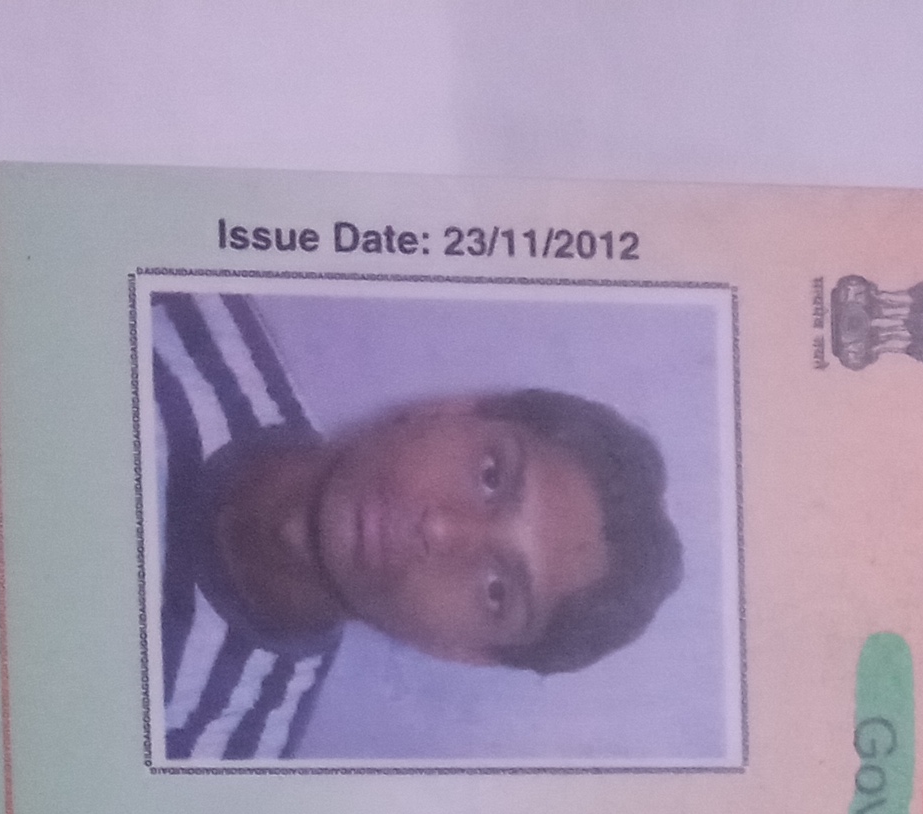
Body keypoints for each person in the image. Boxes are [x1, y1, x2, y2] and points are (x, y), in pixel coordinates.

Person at [148, 290, 688, 762]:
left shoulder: (214, 752)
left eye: (496, 591)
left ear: (461, 653)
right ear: (447, 411)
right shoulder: (172, 315)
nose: (441, 531)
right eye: (490, 476)